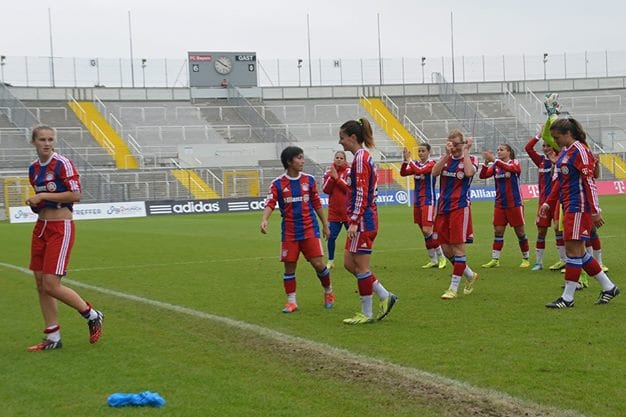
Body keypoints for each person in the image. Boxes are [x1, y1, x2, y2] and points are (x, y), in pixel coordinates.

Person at [25, 125, 103, 352]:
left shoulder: (62, 163)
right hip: (41, 227)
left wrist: (43, 195)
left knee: (51, 284)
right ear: (34, 142)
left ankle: (92, 314)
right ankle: (53, 337)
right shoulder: (33, 169)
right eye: (42, 139)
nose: (47, 143)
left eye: (50, 139)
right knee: (40, 284)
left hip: (61, 227)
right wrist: (36, 203)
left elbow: (75, 194)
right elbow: (42, 201)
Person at [540, 118, 620, 308]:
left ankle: (567, 299)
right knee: (579, 253)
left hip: (579, 206)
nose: (555, 141)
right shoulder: (566, 152)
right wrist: (548, 202)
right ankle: (609, 287)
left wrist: (595, 210)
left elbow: (590, 181)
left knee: (572, 252)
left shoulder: (581, 151)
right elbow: (559, 181)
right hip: (569, 206)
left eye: (557, 137)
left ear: (568, 134)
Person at [260, 146, 335, 313]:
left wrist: (325, 224)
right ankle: (291, 302)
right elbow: (271, 202)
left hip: (309, 229)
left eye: (302, 157)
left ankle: (329, 292)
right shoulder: (278, 184)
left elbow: (316, 203)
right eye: (299, 158)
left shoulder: (308, 180)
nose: (302, 161)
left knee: (318, 264)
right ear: (289, 161)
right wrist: (265, 219)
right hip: (289, 232)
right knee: (289, 267)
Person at [338, 118, 397, 324]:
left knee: (361, 267)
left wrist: (354, 220)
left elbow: (362, 193)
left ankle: (367, 312)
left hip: (363, 220)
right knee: (348, 263)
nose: (341, 143)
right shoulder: (359, 158)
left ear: (353, 137)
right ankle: (384, 295)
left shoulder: (361, 158)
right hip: (361, 218)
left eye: (342, 138)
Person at [432, 129, 479, 300]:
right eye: (449, 141)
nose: (451, 145)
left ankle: (453, 288)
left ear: (461, 143)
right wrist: (446, 155)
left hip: (460, 208)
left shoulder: (471, 159)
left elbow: (468, 173)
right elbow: (434, 173)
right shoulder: (446, 159)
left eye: (454, 142)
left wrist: (466, 151)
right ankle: (470, 274)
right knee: (446, 250)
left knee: (458, 249)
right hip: (443, 207)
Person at [479, 144, 530, 268]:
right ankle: (495, 259)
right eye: (497, 150)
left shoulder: (514, 163)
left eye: (501, 150)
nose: (499, 152)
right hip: (500, 204)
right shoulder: (497, 166)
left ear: (508, 152)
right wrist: (486, 164)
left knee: (520, 232)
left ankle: (526, 258)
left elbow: (512, 169)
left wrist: (494, 160)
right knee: (498, 231)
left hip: (514, 203)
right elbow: (483, 176)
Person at [524, 133, 567, 272]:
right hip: (543, 202)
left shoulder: (560, 159)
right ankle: (538, 262)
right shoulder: (541, 161)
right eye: (544, 145)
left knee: (558, 229)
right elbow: (528, 148)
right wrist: (539, 135)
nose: (545, 148)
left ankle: (563, 260)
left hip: (556, 200)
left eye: (548, 145)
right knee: (541, 231)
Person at [400, 144, 446, 269]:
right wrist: (405, 161)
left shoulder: (432, 164)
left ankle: (442, 256)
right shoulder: (416, 164)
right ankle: (433, 259)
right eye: (419, 151)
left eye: (423, 151)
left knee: (427, 230)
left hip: (428, 200)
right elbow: (403, 173)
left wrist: (410, 161)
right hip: (417, 201)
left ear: (429, 152)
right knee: (424, 232)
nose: (420, 153)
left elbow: (420, 171)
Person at [322, 151, 350, 270]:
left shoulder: (349, 172)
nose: (338, 159)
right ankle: (331, 260)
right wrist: (332, 178)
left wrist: (337, 178)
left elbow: (348, 189)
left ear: (344, 160)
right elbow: (325, 190)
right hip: (334, 212)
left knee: (354, 237)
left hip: (348, 211)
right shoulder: (328, 173)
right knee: (331, 237)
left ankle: (356, 259)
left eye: (341, 158)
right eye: (337, 157)